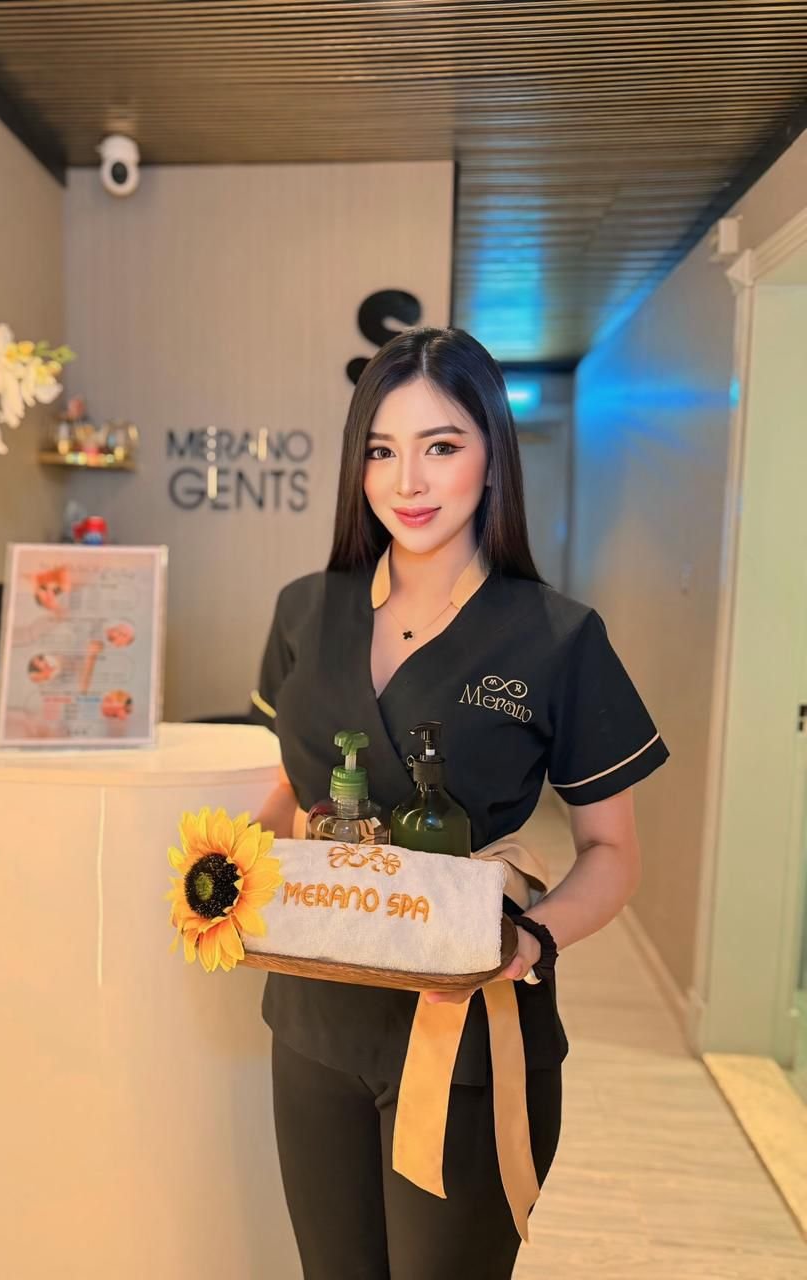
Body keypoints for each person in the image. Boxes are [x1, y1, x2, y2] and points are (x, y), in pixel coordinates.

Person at [249, 326, 668, 1279]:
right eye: (381, 450)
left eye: (441, 445)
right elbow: (288, 786)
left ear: (492, 456)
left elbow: (613, 853)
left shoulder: (556, 638)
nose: (409, 481)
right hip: (314, 1019)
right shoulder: (304, 610)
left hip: (468, 1021)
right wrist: (228, 871)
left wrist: (531, 940)